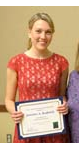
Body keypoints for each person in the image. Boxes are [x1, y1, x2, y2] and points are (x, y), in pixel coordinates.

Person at [5, 13, 69, 143]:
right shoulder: (16, 62)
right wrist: (15, 112)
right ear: (29, 32)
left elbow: (62, 96)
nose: (43, 37)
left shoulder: (61, 62)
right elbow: (8, 99)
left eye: (48, 32)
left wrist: (64, 104)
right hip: (27, 128)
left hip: (54, 131)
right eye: (38, 31)